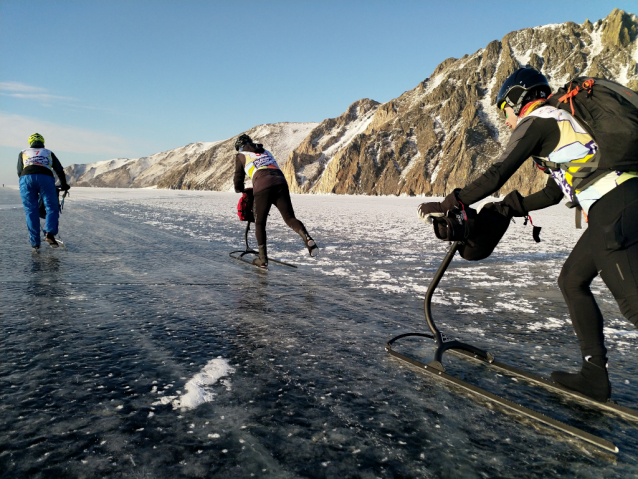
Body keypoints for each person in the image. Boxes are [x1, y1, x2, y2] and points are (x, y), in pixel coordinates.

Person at [417, 68, 637, 402]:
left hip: (616, 203)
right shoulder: (562, 125)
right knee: (572, 280)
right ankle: (594, 376)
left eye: (504, 109)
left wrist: (451, 201)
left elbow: (496, 173)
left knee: (634, 303)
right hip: (615, 205)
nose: (505, 119)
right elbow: (552, 193)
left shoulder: (539, 120)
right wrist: (509, 208)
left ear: (518, 99)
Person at [233, 134, 318, 267]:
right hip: (280, 182)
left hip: (262, 186)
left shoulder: (241, 155)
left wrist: (240, 189)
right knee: (289, 218)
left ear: (240, 147)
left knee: (260, 223)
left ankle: (262, 259)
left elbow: (238, 177)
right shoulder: (265, 151)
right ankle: (307, 238)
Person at [18, 133, 71, 249]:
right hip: (45, 177)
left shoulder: (23, 152)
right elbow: (59, 169)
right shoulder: (48, 152)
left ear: (30, 143)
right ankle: (50, 234)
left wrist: (27, 184)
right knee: (51, 207)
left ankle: (35, 244)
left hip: (26, 178)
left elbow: (19, 171)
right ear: (43, 142)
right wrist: (64, 184)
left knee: (31, 211)